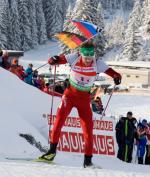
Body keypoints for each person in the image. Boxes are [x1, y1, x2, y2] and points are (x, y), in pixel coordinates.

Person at [40, 42, 122, 167]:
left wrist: (117, 77)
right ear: (81, 53)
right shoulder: (75, 57)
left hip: (84, 100)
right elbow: (58, 60)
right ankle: (51, 152)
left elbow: (113, 73)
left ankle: (88, 161)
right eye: (86, 55)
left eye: (91, 55)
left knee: (88, 130)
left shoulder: (98, 63)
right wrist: (53, 59)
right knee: (58, 121)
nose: (89, 58)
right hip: (69, 96)